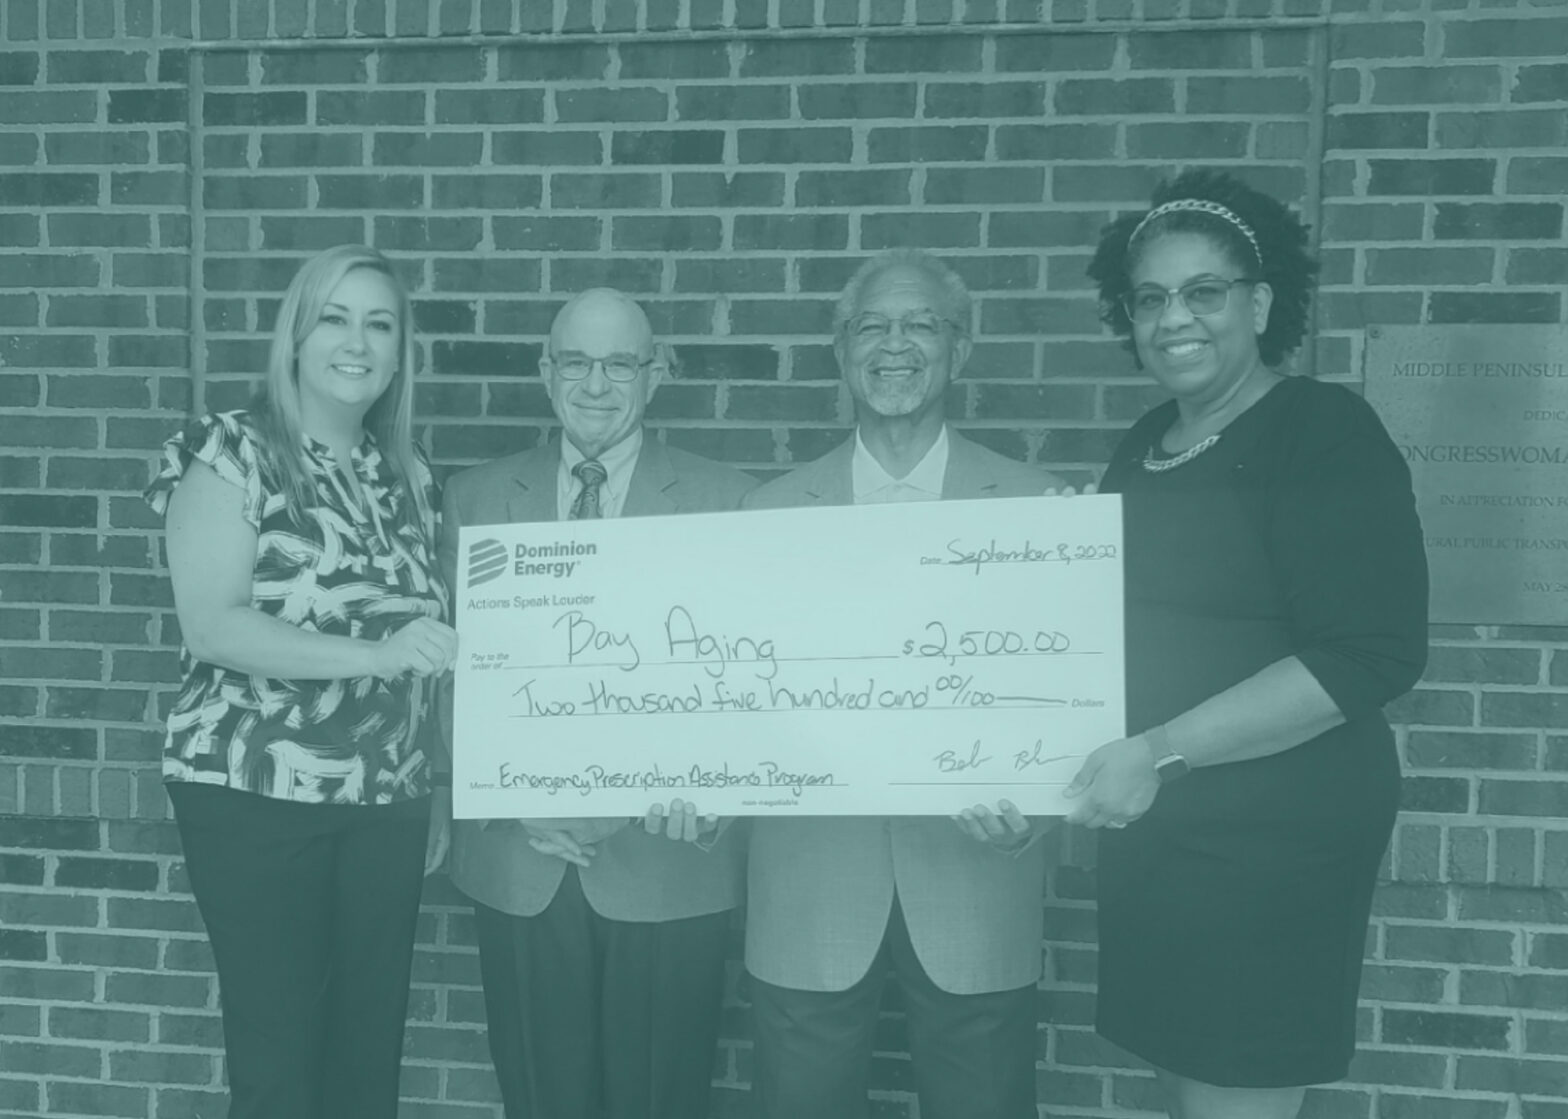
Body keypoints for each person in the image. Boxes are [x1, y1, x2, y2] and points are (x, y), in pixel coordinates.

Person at [1070, 170, 1429, 1119]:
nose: (1173, 318)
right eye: (1149, 298)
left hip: (1272, 844)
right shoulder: (1146, 442)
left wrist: (1158, 749)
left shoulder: (1321, 431)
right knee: (1186, 1086)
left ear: (1261, 303)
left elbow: (1366, 653)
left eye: (1204, 292)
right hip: (1161, 837)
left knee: (1236, 1092)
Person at [742, 249, 1061, 1119]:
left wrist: (1040, 799)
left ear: (960, 350)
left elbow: (1064, 699)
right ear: (842, 351)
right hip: (806, 887)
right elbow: (738, 700)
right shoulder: (764, 515)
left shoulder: (1039, 510)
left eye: (920, 323)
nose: (895, 344)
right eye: (871, 326)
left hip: (977, 877)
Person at [143, 244, 459, 1119]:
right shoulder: (230, 452)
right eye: (335, 317)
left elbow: (431, 648)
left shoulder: (413, 476)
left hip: (385, 798)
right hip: (254, 791)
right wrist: (375, 655)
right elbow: (212, 624)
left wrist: (427, 780)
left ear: (399, 352)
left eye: (379, 323)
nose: (356, 341)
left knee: (367, 1054)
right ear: (295, 337)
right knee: (281, 1055)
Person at [428, 288, 756, 1119]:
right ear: (546, 373)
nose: (598, 383)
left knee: (661, 1099)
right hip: (522, 858)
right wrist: (506, 793)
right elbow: (440, 676)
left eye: (621, 363)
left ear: (657, 375)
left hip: (669, 857)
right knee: (540, 1100)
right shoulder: (471, 501)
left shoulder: (731, 501)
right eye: (577, 361)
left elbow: (753, 682)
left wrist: (698, 791)